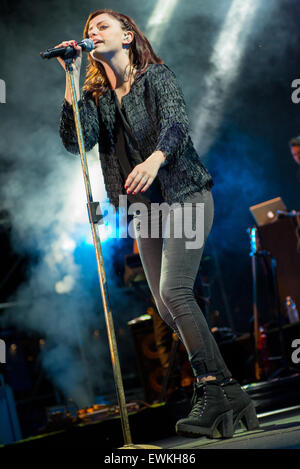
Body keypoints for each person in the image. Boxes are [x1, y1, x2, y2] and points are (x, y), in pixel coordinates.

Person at [57, 8, 258, 438]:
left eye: (102, 26)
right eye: (88, 29)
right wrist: (71, 84)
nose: (93, 32)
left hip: (182, 194)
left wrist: (155, 159)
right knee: (167, 309)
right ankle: (230, 392)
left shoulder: (156, 77)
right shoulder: (96, 98)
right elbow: (77, 142)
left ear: (127, 36)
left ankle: (210, 389)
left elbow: (177, 124)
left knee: (175, 290)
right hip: (144, 212)